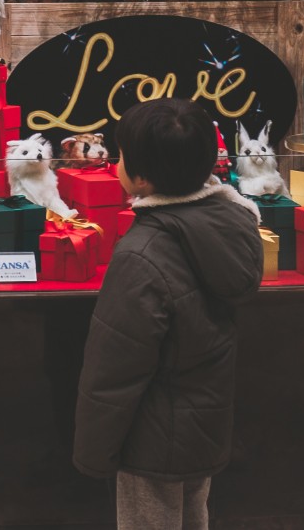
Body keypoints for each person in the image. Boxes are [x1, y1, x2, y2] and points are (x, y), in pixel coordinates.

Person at [74, 98, 264, 530]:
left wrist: (93, 451)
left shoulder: (142, 254)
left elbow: (115, 368)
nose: (116, 163)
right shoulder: (228, 228)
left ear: (140, 176)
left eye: (121, 156)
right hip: (203, 428)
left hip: (149, 441)